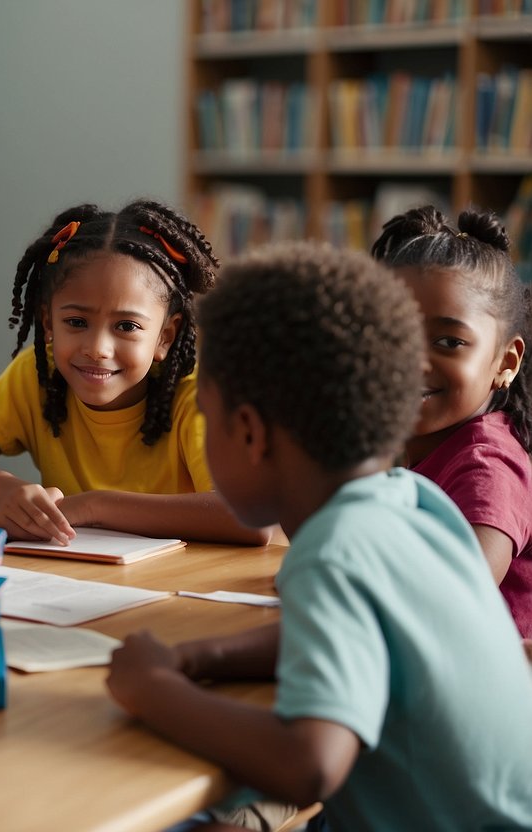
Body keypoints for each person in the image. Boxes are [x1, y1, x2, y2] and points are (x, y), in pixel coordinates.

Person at [107, 242, 532, 830]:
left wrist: (152, 690)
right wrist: (200, 655)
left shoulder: (335, 549)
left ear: (250, 433)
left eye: (207, 419)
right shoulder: (413, 500)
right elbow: (357, 635)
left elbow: (310, 764)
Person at [0, 199, 267, 545]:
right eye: (77, 322)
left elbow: (252, 518)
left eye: (126, 326)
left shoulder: (196, 393)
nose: (97, 348)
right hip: (78, 583)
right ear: (48, 322)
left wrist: (97, 505)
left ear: (165, 337)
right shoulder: (36, 376)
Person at [372, 206, 532, 644]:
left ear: (506, 361)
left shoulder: (487, 466)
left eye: (449, 342)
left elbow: (450, 605)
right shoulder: (408, 449)